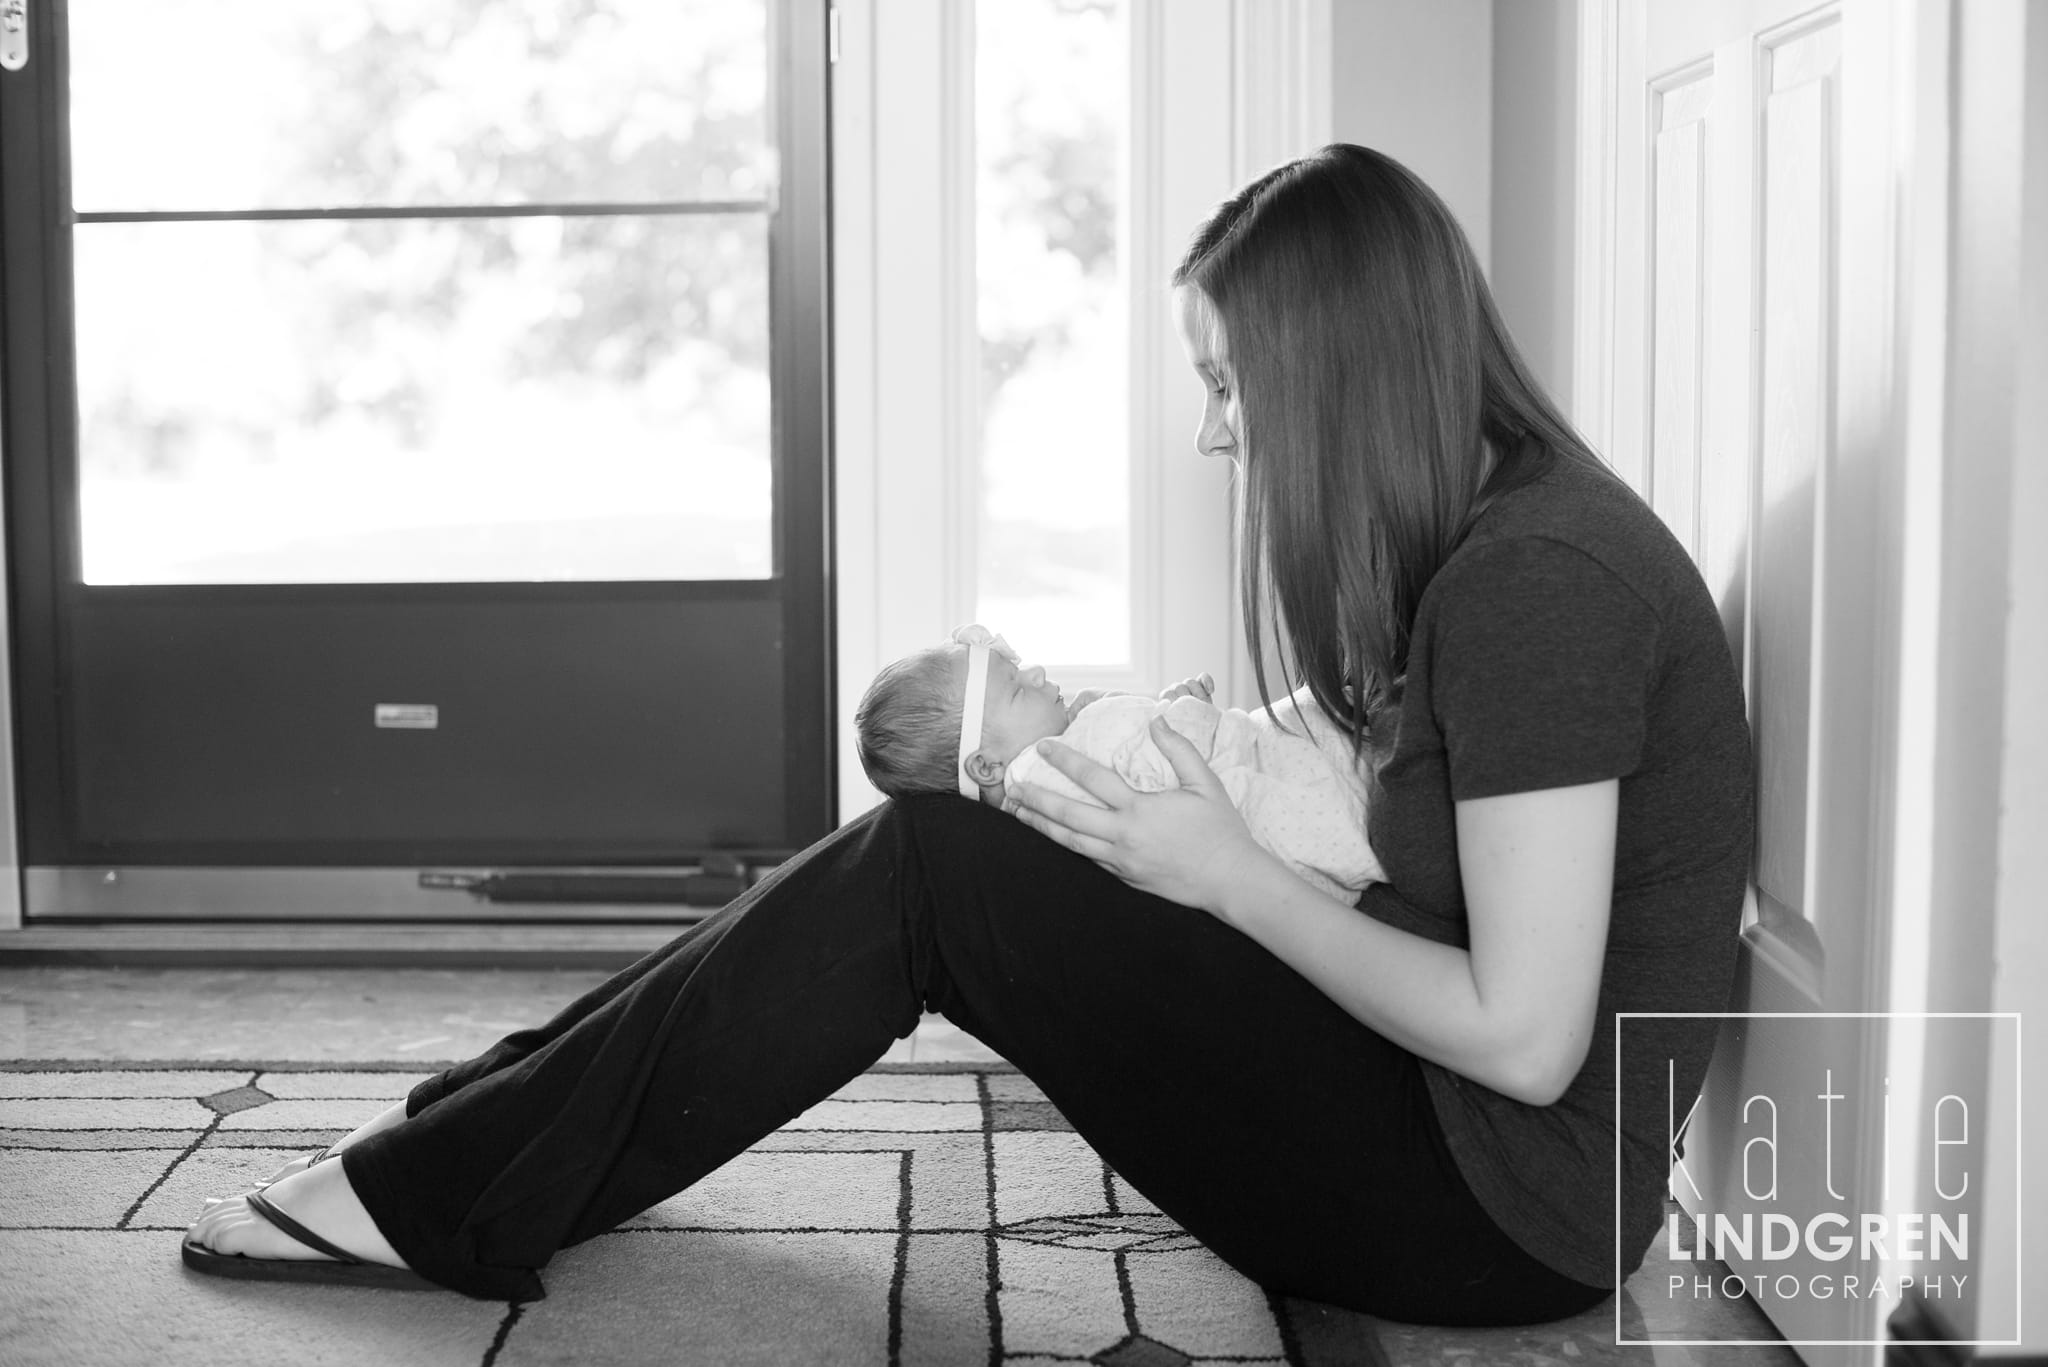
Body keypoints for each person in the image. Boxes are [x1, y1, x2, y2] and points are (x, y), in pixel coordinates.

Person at [182, 143, 1752, 1327]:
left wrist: (1227, 877)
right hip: (1434, 1118)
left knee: (936, 862)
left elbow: (1528, 1035)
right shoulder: (1498, 552)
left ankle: (439, 1185)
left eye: (1232, 385)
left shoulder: (1538, 582)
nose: (1218, 431)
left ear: (1341, 368)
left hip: (1491, 1208)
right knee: (955, 838)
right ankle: (482, 1114)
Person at [854, 624, 1383, 900]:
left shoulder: (1065, 744)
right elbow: (1165, 785)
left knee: (1308, 717)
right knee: (1327, 757)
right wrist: (1179, 719)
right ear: (987, 768)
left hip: (1240, 754)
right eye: (1016, 689)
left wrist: (1173, 708)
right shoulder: (1047, 778)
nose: (1036, 673)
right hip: (1257, 815)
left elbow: (1152, 759)